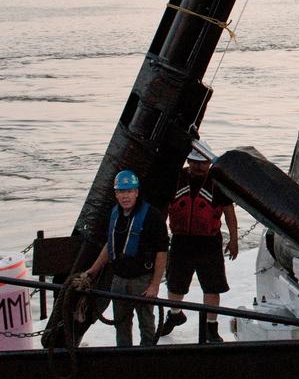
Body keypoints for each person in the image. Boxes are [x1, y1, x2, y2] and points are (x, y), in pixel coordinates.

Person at [84, 169, 168, 347]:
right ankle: (124, 355)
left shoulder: (152, 216)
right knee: (121, 324)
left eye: (129, 191)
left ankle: (148, 356)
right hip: (119, 280)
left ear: (137, 192)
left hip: (142, 281)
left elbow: (162, 251)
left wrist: (154, 285)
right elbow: (110, 245)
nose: (125, 196)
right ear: (116, 194)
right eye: (121, 192)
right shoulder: (115, 214)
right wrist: (93, 270)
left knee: (146, 323)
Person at [162, 148, 238, 342]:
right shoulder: (176, 178)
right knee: (175, 282)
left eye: (203, 163)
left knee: (212, 286)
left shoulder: (217, 182)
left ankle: (211, 326)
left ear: (209, 163)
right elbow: (164, 205)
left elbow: (229, 211)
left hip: (209, 241)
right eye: (194, 162)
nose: (198, 166)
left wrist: (234, 239)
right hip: (180, 239)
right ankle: (175, 314)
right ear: (188, 161)